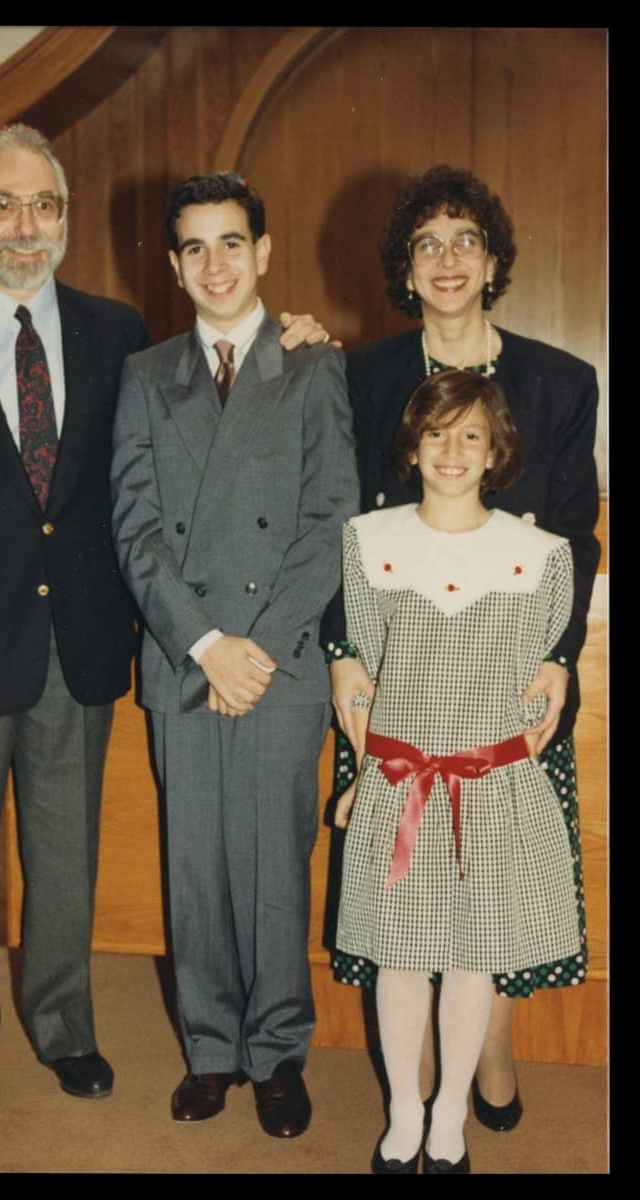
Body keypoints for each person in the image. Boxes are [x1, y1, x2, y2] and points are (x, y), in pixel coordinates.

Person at [0, 126, 329, 1118]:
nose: (27, 227)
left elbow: (212, 374)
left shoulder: (119, 333)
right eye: (4, 205)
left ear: (65, 218)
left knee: (64, 857)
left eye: (45, 207)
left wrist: (300, 333)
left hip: (80, 644)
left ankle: (65, 1029)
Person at [323, 164, 600, 1131]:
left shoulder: (560, 381)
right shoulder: (360, 376)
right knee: (411, 904)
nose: (446, 260)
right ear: (404, 267)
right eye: (426, 244)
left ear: (492, 261)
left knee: (496, 885)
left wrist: (558, 657)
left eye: (464, 240)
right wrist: (339, 650)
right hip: (404, 674)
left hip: (507, 668)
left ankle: (488, 1055)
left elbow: (574, 532)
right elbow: (340, 526)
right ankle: (424, 1098)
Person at [110, 172, 359, 1138]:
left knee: (273, 861)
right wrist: (207, 642)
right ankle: (210, 1050)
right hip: (187, 657)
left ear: (262, 252)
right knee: (195, 865)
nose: (215, 264)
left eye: (231, 243)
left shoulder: (310, 367)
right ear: (175, 267)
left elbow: (330, 512)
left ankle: (278, 1052)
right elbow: (134, 528)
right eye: (194, 248)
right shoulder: (146, 375)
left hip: (279, 660)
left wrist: (254, 646)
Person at [335, 368, 581, 1174]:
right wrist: (366, 775)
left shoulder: (539, 554)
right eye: (436, 433)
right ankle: (404, 1110)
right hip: (403, 782)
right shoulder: (368, 542)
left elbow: (539, 672)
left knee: (474, 954)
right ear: (411, 444)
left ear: (495, 451)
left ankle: (450, 1116)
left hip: (489, 786)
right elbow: (364, 675)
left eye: (470, 435)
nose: (451, 451)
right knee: (400, 955)